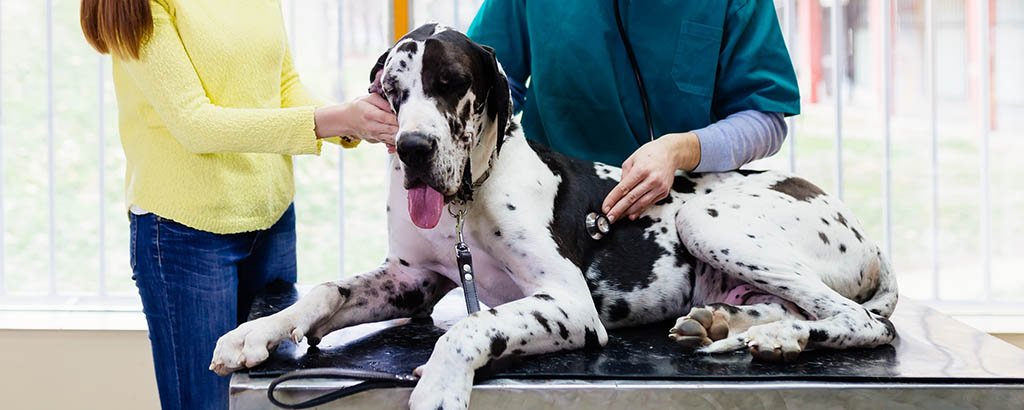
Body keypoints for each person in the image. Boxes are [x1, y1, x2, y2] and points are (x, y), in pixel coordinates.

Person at [80, 0, 395, 408]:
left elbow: (282, 84)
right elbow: (196, 123)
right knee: (208, 403)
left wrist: (351, 125)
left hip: (272, 219)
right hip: (184, 234)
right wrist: (336, 120)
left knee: (269, 397)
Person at [468, 0, 799, 223]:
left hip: (683, 218)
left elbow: (764, 117)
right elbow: (487, 80)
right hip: (547, 208)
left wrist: (680, 150)